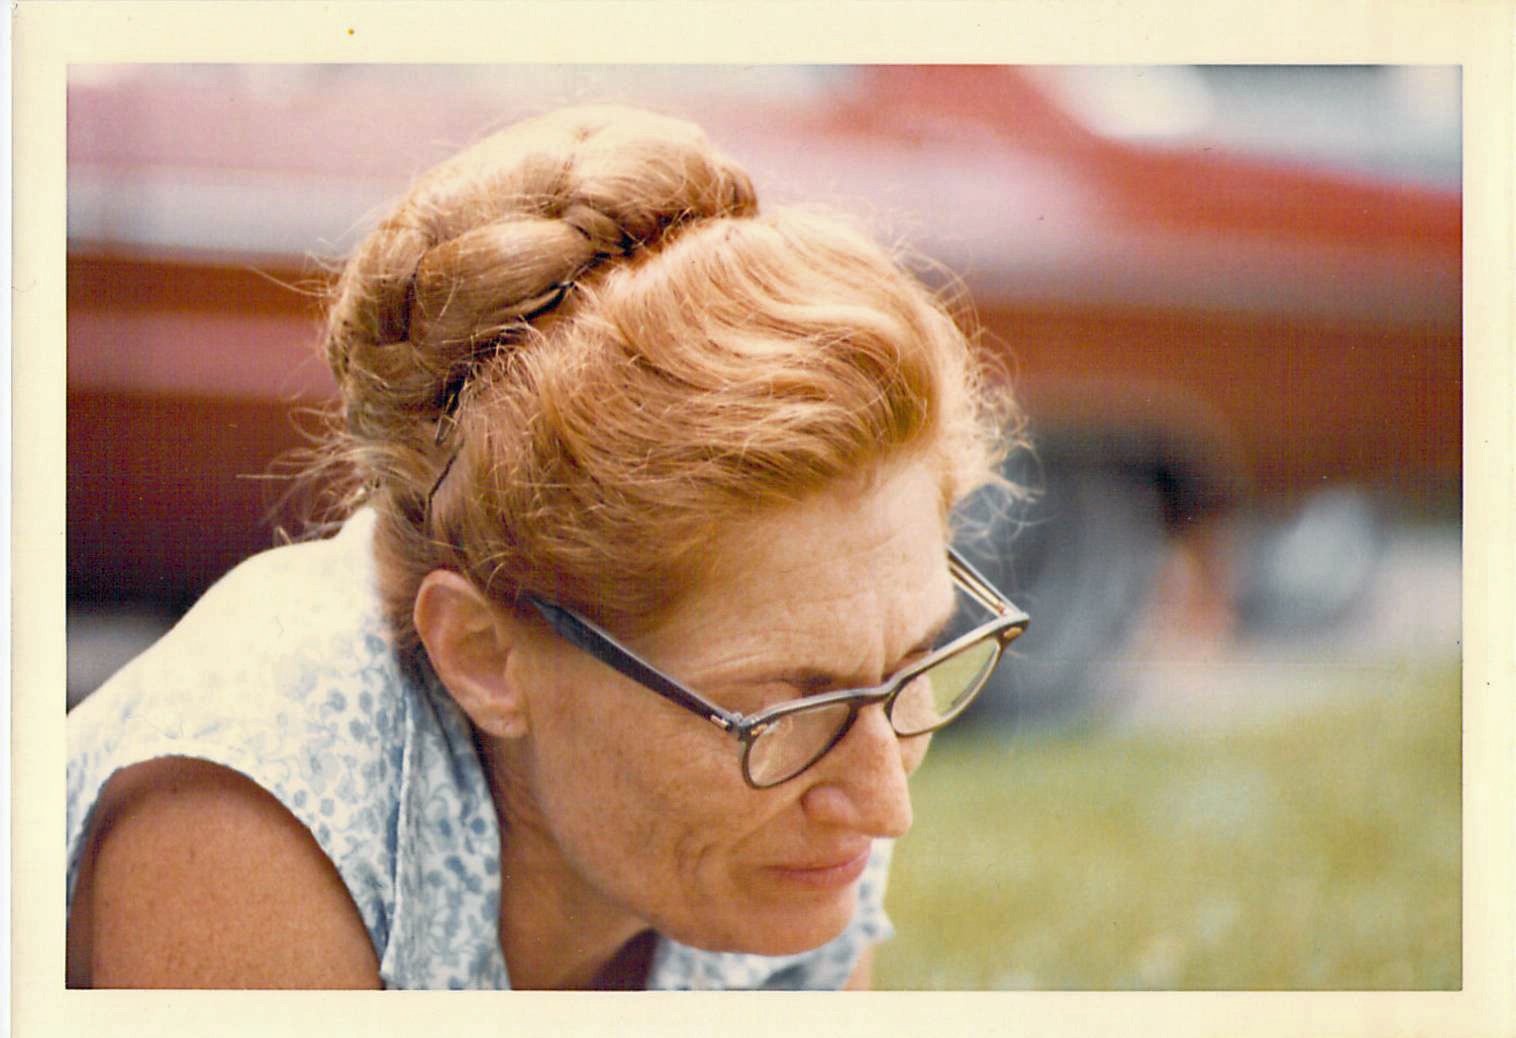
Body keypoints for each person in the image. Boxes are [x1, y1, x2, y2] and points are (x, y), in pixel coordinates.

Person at [65, 104, 1029, 990]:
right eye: (784, 707)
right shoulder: (250, 801)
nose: (885, 805)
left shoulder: (822, 769)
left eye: (911, 669)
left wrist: (827, 707)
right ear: (484, 653)